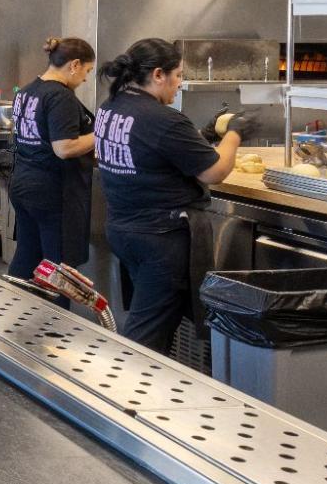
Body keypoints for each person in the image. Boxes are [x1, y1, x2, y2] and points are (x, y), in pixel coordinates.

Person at [94, 37, 252, 352]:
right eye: (177, 75)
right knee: (148, 335)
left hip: (125, 229)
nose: (180, 83)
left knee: (150, 320)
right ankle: (127, 395)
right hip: (161, 239)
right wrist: (235, 133)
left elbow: (153, 150)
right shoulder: (163, 119)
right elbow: (215, 172)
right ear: (157, 75)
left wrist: (204, 136)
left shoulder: (111, 107)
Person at [6, 36, 96, 282]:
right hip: (52, 190)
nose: (86, 78)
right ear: (74, 64)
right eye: (87, 71)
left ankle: (17, 312)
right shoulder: (61, 96)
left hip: (24, 182)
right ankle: (56, 318)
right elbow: (64, 148)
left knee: (27, 255)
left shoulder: (26, 91)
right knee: (59, 267)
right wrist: (101, 135)